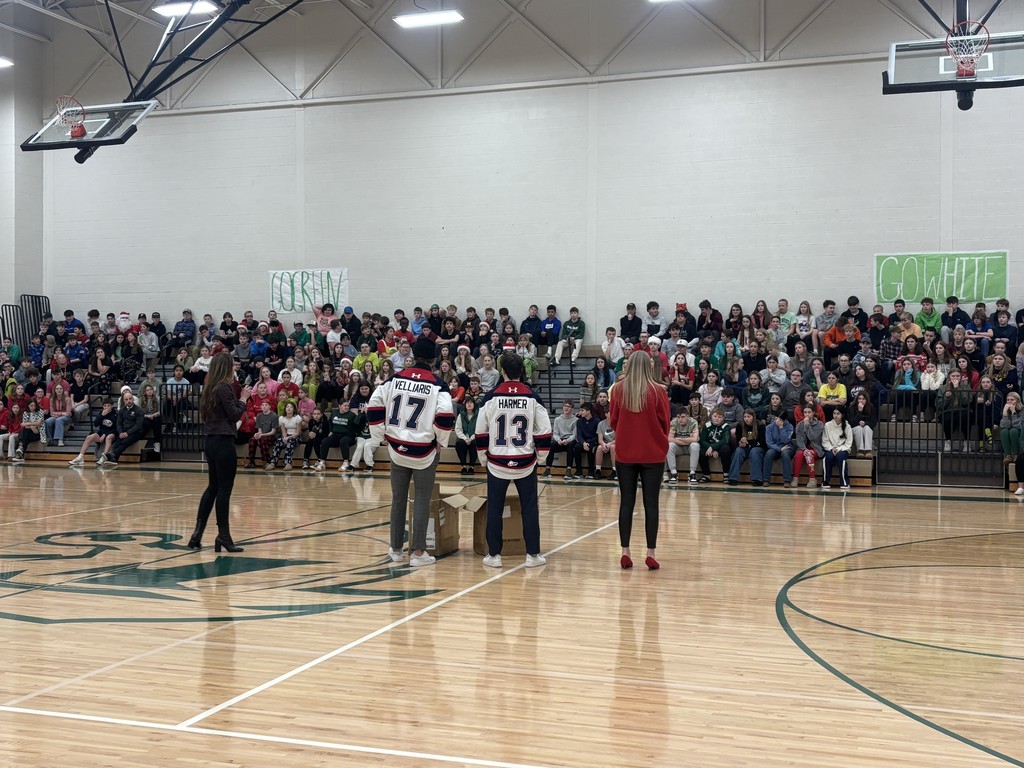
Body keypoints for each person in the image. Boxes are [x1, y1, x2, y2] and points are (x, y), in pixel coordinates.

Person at [368, 337, 455, 568]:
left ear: (413, 356)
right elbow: (446, 414)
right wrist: (441, 440)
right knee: (422, 499)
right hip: (424, 450)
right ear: (433, 360)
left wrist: (379, 435)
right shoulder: (438, 384)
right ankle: (417, 553)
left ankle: (396, 549)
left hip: (397, 448)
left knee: (398, 499)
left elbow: (374, 404)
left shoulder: (394, 379)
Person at [475, 352, 551, 568]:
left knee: (494, 508)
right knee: (529, 507)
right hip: (525, 462)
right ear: (522, 372)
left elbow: (480, 431)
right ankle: (533, 555)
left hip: (497, 462)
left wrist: (483, 458)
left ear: (502, 371)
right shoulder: (532, 397)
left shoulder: (490, 397)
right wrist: (541, 457)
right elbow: (545, 430)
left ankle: (494, 556)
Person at [609, 352, 670, 570]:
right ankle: (650, 553)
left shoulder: (618, 390)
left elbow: (613, 421)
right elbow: (665, 422)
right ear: (648, 366)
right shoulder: (658, 391)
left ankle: (625, 552)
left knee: (626, 502)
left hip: (626, 452)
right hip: (652, 453)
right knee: (651, 504)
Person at [187, 351, 252, 553]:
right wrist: (243, 399)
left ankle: (197, 534)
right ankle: (223, 536)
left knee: (212, 488)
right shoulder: (224, 387)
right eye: (231, 365)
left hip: (211, 441)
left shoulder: (209, 387)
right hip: (224, 442)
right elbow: (234, 414)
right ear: (226, 367)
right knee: (224, 491)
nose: (234, 368)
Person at [97, 388, 145, 467]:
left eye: (130, 399)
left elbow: (138, 425)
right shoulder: (121, 410)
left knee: (124, 442)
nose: (129, 401)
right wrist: (120, 432)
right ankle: (114, 459)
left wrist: (127, 433)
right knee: (118, 442)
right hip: (124, 431)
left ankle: (110, 455)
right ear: (123, 400)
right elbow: (118, 424)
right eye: (126, 399)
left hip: (136, 432)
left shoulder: (139, 410)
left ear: (133, 399)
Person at [68, 399, 117, 465]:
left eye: (108, 406)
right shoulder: (101, 413)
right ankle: (80, 457)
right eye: (105, 406)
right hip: (101, 433)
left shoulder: (115, 414)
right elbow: (96, 424)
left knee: (109, 437)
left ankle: (104, 457)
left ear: (112, 406)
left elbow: (116, 428)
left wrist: (105, 434)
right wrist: (102, 416)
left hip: (111, 434)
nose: (106, 407)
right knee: (89, 437)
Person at [541, 400, 577, 477]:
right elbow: (555, 433)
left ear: (572, 408)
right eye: (565, 406)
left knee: (571, 445)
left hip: (570, 440)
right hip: (560, 440)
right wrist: (558, 440)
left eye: (568, 406)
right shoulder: (557, 419)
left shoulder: (576, 420)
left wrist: (567, 440)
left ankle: (568, 470)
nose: (566, 408)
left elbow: (575, 435)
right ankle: (547, 469)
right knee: (551, 445)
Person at [821, 408, 853, 490]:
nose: (836, 415)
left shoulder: (847, 426)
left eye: (838, 413)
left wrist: (838, 449)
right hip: (830, 448)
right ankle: (825, 481)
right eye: (834, 413)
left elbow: (848, 443)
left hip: (843, 449)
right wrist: (831, 448)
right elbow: (825, 440)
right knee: (828, 457)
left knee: (840, 457)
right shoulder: (827, 425)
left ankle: (844, 482)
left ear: (842, 415)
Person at [793, 405, 824, 488]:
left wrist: (807, 425)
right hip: (803, 449)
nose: (807, 414)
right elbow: (799, 440)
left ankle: (812, 479)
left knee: (809, 454)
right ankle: (795, 478)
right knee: (799, 454)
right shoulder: (800, 425)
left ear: (813, 413)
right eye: (805, 412)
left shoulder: (819, 424)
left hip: (816, 449)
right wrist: (804, 449)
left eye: (809, 412)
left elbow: (813, 437)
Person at [455, 396, 479, 474]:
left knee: (475, 443)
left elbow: (479, 429)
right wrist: (465, 438)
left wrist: (471, 438)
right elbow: (458, 429)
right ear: (465, 405)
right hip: (463, 437)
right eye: (467, 403)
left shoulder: (478, 415)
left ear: (474, 405)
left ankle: (472, 466)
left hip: (474, 437)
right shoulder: (461, 415)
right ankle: (463, 466)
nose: (469, 404)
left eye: (471, 403)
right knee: (459, 443)